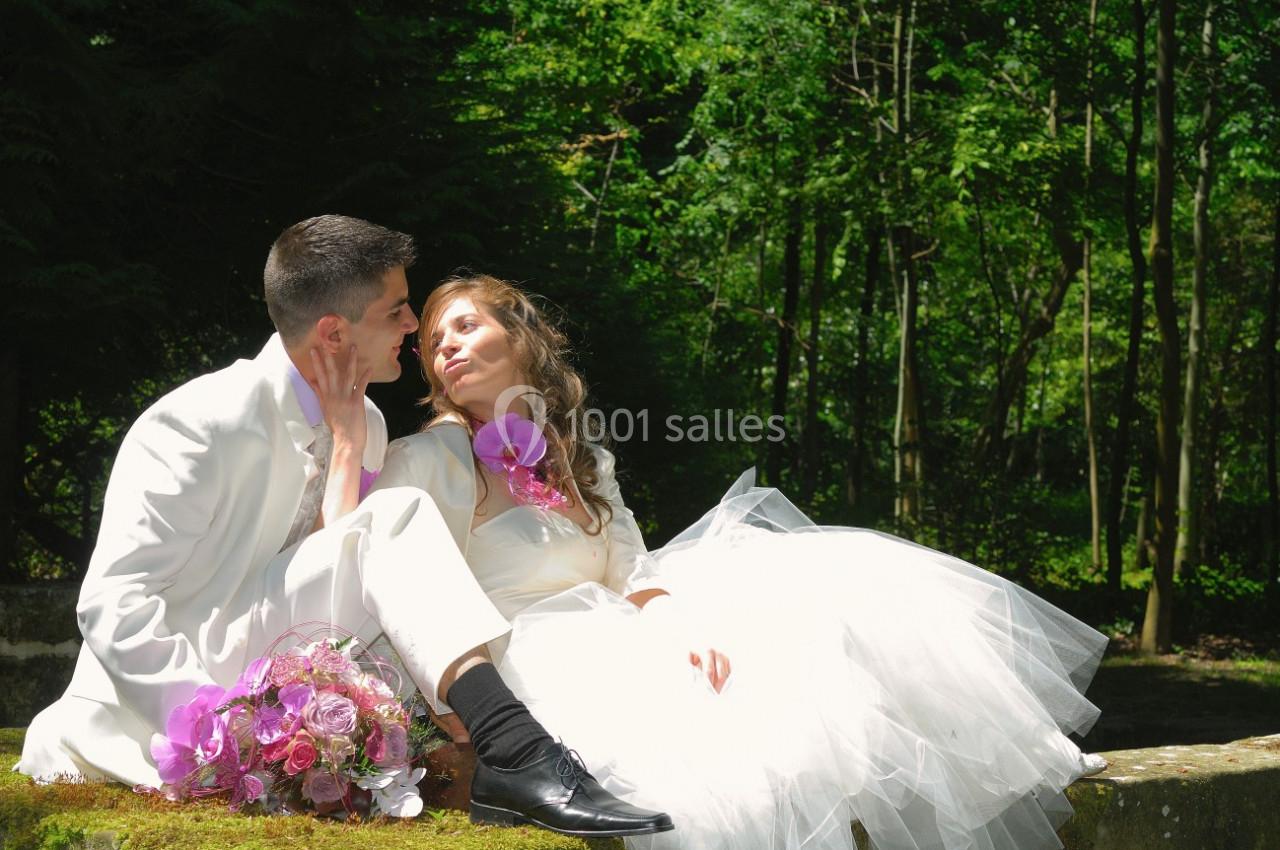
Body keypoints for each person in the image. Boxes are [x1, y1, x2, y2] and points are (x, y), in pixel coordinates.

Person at [371, 273, 1111, 850]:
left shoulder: (581, 456)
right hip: (529, 656)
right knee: (722, 769)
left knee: (827, 578)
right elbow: (388, 579)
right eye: (436, 341)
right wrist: (449, 708)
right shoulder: (434, 455)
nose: (447, 348)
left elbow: (633, 568)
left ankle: (1017, 750)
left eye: (467, 326)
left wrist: (676, 629)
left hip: (616, 625)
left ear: (521, 337)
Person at [16, 217, 672, 839]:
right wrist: (223, 729)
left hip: (291, 648)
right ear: (334, 334)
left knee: (389, 518)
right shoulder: (197, 421)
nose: (415, 328)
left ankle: (513, 750)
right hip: (193, 685)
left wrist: (350, 443)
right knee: (394, 514)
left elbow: (342, 569)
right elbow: (113, 605)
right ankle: (516, 749)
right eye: (398, 310)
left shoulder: (374, 424)